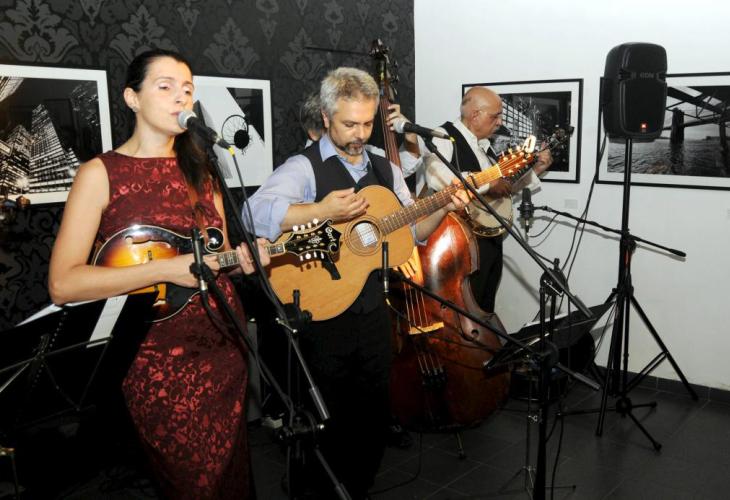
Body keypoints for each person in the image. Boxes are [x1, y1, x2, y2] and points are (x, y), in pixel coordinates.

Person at [48, 48, 270, 499]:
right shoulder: (100, 174)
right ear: (131, 98)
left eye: (187, 89)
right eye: (165, 86)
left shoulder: (203, 173)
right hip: (153, 360)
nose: (180, 97)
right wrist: (165, 268)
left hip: (223, 348)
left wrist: (243, 260)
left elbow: (216, 256)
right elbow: (63, 284)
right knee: (194, 485)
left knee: (231, 479)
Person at [244, 67, 469, 499]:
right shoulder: (304, 167)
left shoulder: (385, 168)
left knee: (371, 415)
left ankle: (357, 489)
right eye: (349, 124)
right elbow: (253, 214)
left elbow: (411, 231)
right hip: (322, 314)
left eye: (367, 124)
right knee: (327, 419)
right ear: (326, 117)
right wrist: (321, 210)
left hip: (372, 311)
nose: (359, 134)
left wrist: (444, 207)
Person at [425, 86, 553, 312]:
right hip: (460, 247)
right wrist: (489, 182)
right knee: (464, 311)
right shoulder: (442, 136)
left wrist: (536, 170)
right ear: (475, 115)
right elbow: (439, 179)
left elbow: (501, 192)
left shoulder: (486, 147)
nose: (500, 122)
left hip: (490, 244)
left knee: (485, 309)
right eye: (495, 116)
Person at [299, 91, 425, 185]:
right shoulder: (302, 170)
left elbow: (403, 166)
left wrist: (409, 131)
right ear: (313, 134)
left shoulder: (366, 153)